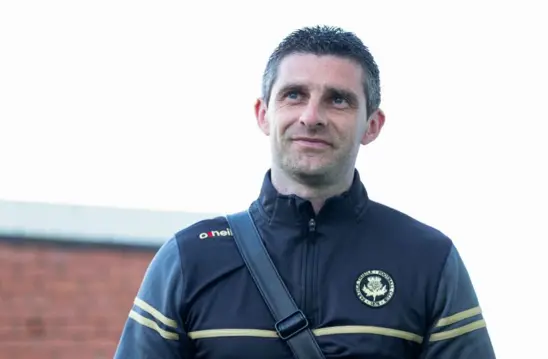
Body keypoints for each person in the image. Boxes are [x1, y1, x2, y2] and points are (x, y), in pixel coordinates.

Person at [113, 25, 496, 359]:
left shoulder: (428, 260)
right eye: (294, 94)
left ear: (372, 125)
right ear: (264, 114)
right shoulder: (189, 258)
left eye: (338, 99)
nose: (311, 117)